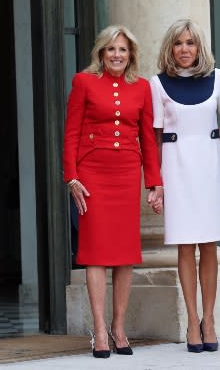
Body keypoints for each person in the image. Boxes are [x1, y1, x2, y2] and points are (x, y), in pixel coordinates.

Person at [63, 25, 164, 359]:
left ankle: (119, 328)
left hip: (125, 175)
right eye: (111, 50)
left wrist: (154, 182)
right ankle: (100, 330)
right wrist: (71, 176)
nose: (117, 55)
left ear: (130, 54)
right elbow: (71, 132)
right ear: (101, 53)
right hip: (92, 175)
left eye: (122, 50)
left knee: (124, 254)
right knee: (95, 252)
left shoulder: (142, 87)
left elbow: (148, 139)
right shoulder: (84, 82)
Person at [149, 19, 220, 353]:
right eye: (179, 43)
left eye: (191, 43)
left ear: (200, 47)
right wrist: (155, 184)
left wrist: (211, 139)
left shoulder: (217, 79)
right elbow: (154, 137)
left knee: (209, 245)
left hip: (209, 169)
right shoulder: (157, 84)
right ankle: (191, 321)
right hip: (176, 169)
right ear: (170, 48)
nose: (185, 49)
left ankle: (209, 321)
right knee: (185, 246)